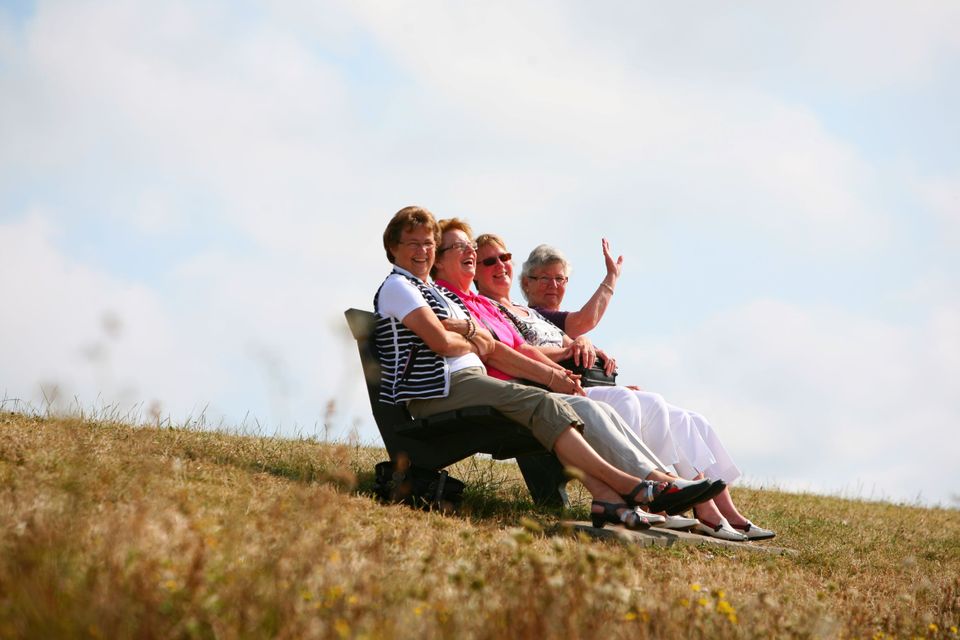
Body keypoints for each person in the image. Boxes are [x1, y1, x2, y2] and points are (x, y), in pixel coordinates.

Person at [374, 206, 716, 531]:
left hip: (466, 382)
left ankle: (621, 495)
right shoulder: (401, 287)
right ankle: (638, 487)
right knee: (548, 404)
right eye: (413, 243)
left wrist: (472, 335)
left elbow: (491, 346)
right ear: (394, 248)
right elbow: (444, 344)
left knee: (572, 406)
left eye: (428, 243)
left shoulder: (436, 294)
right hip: (442, 390)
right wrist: (471, 335)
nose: (422, 250)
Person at [493, 237, 775, 541]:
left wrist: (588, 351)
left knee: (689, 419)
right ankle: (664, 500)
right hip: (557, 393)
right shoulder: (526, 315)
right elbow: (576, 328)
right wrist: (610, 282)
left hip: (583, 387)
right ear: (526, 282)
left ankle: (722, 510)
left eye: (560, 279)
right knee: (632, 401)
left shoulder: (546, 321)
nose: (553, 285)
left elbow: (576, 332)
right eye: (544, 278)